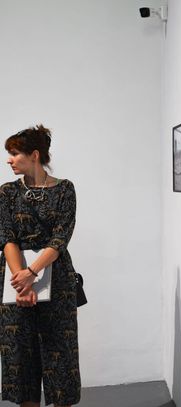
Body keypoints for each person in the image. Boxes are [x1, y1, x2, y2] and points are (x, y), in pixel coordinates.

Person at [0, 125, 80, 406]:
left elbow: (60, 238)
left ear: (34, 155)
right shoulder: (7, 192)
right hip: (15, 280)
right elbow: (6, 237)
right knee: (22, 357)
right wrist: (21, 282)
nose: (9, 160)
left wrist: (32, 273)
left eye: (14, 153)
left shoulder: (65, 189)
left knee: (60, 354)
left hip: (56, 281)